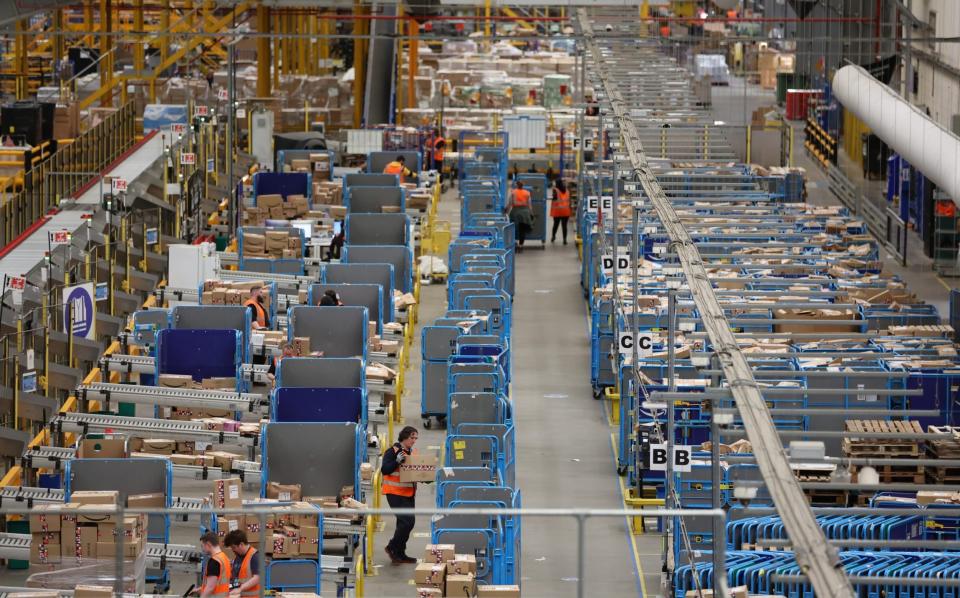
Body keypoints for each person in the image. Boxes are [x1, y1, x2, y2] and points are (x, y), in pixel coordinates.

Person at [381, 426, 420, 565]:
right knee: (406, 522)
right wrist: (396, 461)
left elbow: (416, 471)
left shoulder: (413, 452)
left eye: (416, 438)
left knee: (407, 524)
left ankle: (400, 553)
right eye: (412, 437)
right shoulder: (392, 451)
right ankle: (392, 547)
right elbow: (384, 469)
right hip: (395, 493)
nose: (414, 441)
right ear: (404, 437)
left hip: (409, 493)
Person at [223, 530, 260, 597]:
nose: (233, 550)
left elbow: (257, 578)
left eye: (234, 547)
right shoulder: (238, 557)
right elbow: (236, 576)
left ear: (241, 544)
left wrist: (240, 589)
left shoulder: (255, 556)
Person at [198, 531, 231, 598]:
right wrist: (201, 589)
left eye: (202, 546)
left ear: (208, 544)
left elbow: (210, 587)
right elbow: (219, 582)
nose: (202, 549)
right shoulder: (224, 557)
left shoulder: (214, 561)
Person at [504, 181, 533, 251]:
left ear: (517, 186)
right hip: (525, 213)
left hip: (515, 212)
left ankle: (514, 244)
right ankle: (521, 245)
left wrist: (506, 212)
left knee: (514, 229)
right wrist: (531, 213)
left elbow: (510, 203)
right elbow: (529, 205)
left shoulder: (513, 192)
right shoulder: (527, 193)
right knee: (522, 230)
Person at [550, 179, 572, 245]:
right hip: (566, 211)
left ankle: (553, 236)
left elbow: (554, 198)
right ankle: (564, 240)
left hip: (557, 211)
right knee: (564, 226)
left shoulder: (555, 190)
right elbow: (569, 200)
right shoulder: (567, 191)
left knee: (555, 224)